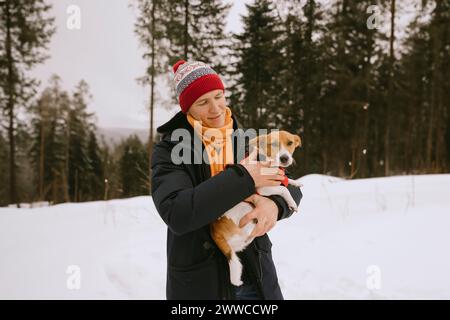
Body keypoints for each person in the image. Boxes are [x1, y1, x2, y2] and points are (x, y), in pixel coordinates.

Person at [151, 60, 302, 300]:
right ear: (187, 109)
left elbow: (288, 184)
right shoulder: (171, 150)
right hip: (201, 282)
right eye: (203, 102)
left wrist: (276, 205)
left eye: (219, 96)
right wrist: (244, 177)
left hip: (255, 274)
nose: (216, 108)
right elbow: (177, 213)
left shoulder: (242, 140)